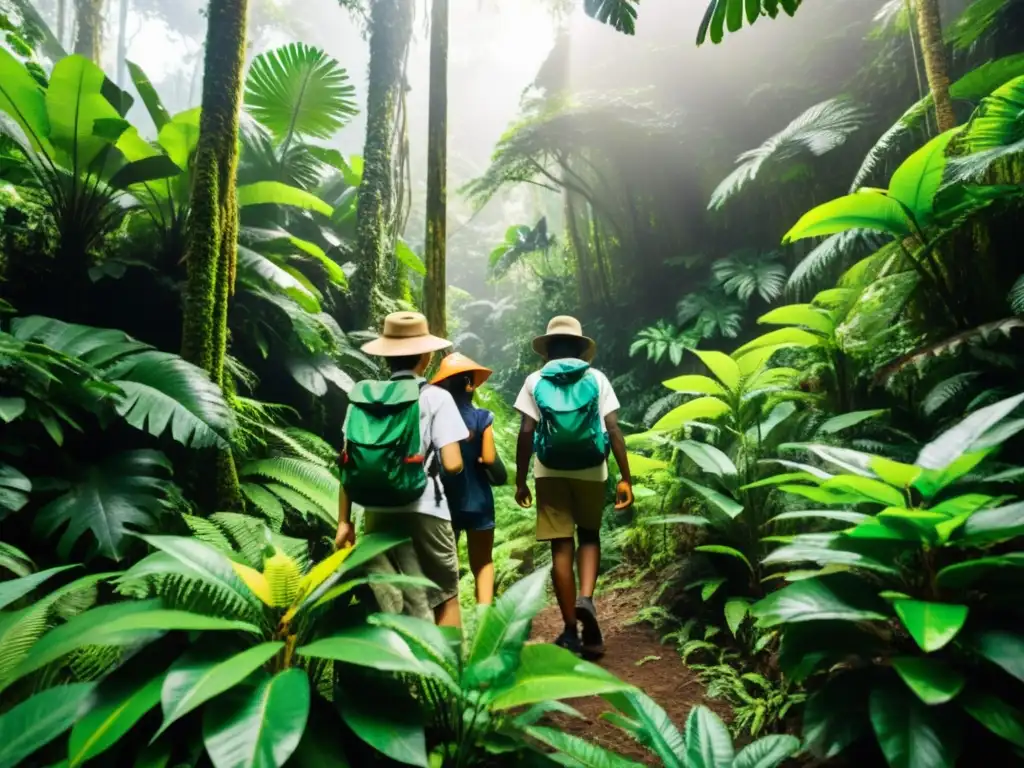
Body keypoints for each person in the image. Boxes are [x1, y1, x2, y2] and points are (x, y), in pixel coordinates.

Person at [335, 312, 469, 627]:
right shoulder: (437, 398)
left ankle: (403, 672)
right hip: (425, 511)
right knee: (444, 596)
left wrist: (343, 522)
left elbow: (347, 462)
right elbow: (452, 464)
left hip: (376, 511)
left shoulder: (363, 401)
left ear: (386, 357)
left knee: (396, 604)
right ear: (427, 355)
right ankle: (444, 674)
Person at [513, 316, 633, 657]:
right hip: (592, 469)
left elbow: (525, 432)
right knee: (590, 535)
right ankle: (587, 599)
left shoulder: (535, 380)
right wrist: (626, 477)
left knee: (560, 546)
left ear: (548, 349)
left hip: (548, 471)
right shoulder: (596, 378)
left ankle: (569, 630)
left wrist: (521, 479)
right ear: (581, 348)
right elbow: (612, 429)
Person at [430, 353, 507, 605]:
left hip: (444, 502)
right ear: (470, 385)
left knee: (443, 567)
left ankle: (446, 620)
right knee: (483, 563)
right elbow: (488, 457)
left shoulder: (435, 417)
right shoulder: (482, 418)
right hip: (478, 501)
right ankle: (484, 616)